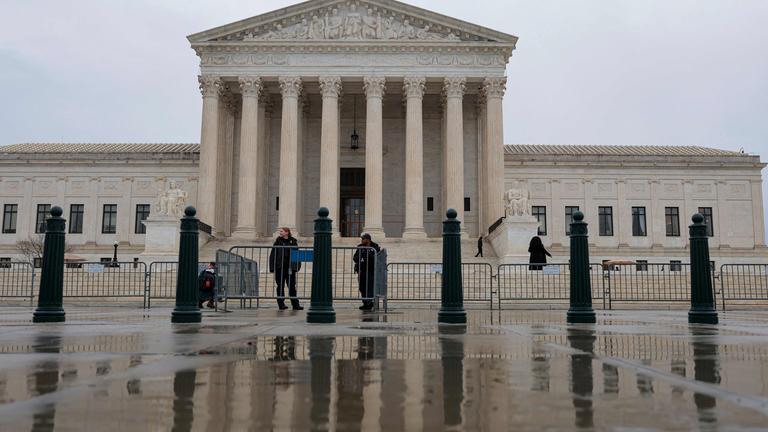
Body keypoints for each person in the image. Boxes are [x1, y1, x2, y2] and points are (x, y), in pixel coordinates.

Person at [269, 227, 303, 310]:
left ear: (287, 232)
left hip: (290, 268)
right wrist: (272, 268)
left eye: (281, 231)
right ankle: (281, 305)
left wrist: (297, 267)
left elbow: (297, 254)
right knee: (280, 286)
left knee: (291, 286)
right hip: (280, 267)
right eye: (280, 231)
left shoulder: (293, 241)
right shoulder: (277, 242)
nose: (280, 232)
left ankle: (295, 305)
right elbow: (273, 255)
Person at [353, 232, 380, 311]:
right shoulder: (360, 247)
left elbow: (375, 259)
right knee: (362, 287)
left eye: (363, 239)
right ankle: (365, 303)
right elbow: (355, 258)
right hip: (362, 270)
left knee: (370, 287)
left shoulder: (375, 247)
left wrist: (367, 254)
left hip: (371, 271)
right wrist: (361, 254)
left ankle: (370, 302)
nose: (362, 240)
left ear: (368, 239)